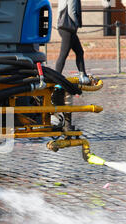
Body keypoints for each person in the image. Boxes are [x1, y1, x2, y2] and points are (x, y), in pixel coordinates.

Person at [54, 0, 90, 132]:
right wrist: (75, 24)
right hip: (69, 27)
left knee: (79, 51)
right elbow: (72, 11)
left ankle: (82, 74)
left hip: (63, 26)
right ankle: (57, 79)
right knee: (63, 55)